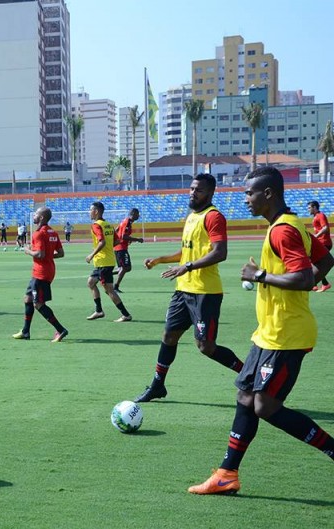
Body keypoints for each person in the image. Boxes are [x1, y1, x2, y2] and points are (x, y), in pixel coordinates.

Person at [188, 166, 334, 495]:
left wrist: (260, 276)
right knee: (244, 395)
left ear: (268, 194)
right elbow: (325, 260)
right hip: (268, 332)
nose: (245, 199)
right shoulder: (289, 224)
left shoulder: (283, 230)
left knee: (265, 406)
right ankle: (227, 474)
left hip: (286, 334)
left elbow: (306, 278)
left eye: (249, 193)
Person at [134, 174, 243, 403]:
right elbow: (186, 252)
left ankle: (248, 377)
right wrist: (159, 259)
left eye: (199, 190)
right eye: (191, 189)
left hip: (205, 292)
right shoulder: (192, 216)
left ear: (210, 193)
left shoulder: (213, 217)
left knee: (205, 346)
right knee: (169, 335)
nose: (193, 193)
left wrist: (189, 266)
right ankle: (157, 385)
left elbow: (219, 252)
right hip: (183, 290)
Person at [12, 207, 69, 342]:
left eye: (36, 214)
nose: (34, 215)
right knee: (28, 299)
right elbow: (61, 253)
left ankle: (60, 330)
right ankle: (26, 331)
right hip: (46, 270)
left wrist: (27, 250)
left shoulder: (39, 234)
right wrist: (48, 256)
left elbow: (40, 254)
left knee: (38, 304)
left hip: (41, 273)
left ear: (42, 217)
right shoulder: (53, 232)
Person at [85, 201, 133, 322]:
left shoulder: (96, 225)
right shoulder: (108, 224)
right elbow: (117, 241)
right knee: (91, 282)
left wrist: (91, 254)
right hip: (106, 261)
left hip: (103, 262)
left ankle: (125, 314)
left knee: (109, 290)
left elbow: (102, 242)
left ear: (96, 211)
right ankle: (98, 310)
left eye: (91, 210)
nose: (89, 212)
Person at [112, 208, 144, 293]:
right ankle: (115, 287)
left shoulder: (124, 221)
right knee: (125, 267)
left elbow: (116, 230)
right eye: (137, 214)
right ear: (133, 214)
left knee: (127, 268)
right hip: (121, 248)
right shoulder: (127, 222)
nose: (138, 216)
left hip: (120, 247)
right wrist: (137, 239)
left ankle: (106, 274)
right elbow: (124, 236)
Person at [307, 200, 331, 292]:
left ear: (314, 207)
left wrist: (316, 236)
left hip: (324, 243)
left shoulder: (320, 215)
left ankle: (318, 284)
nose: (308, 209)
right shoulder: (316, 216)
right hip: (321, 243)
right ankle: (321, 284)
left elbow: (325, 228)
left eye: (309, 208)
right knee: (314, 263)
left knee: (315, 263)